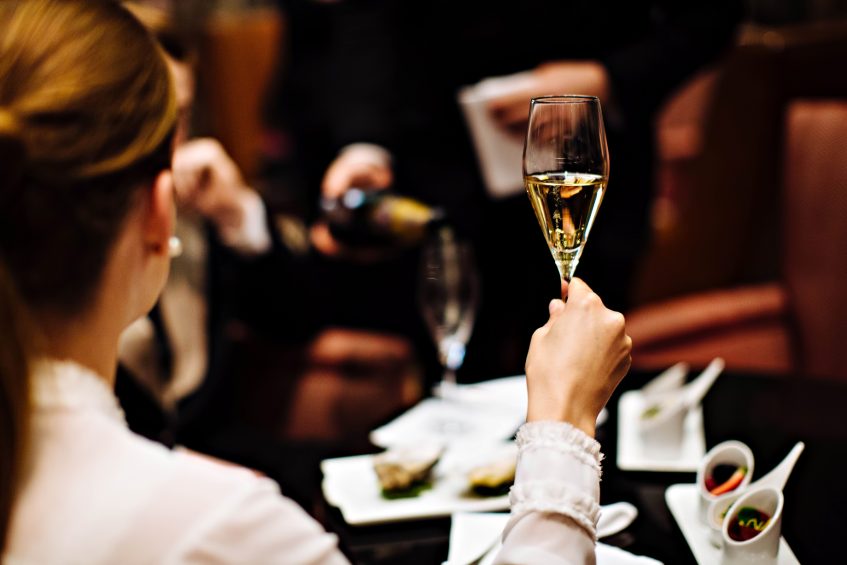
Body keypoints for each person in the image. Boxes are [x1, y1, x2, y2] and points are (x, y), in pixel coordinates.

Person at [0, 1, 631, 562]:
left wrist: (245, 219)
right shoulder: (222, 525)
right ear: (156, 207)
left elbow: (293, 311)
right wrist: (563, 422)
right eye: (172, 128)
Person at [289, 0, 743, 383]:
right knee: (456, 380)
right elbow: (368, 17)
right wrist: (364, 146)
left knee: (586, 372)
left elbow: (710, 15)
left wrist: (608, 78)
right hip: (441, 176)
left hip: (585, 166)